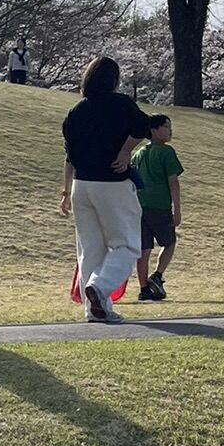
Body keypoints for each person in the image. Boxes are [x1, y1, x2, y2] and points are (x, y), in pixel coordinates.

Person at [59, 56, 150, 324]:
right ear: (114, 79)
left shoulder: (76, 111)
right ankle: (99, 287)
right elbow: (144, 126)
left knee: (90, 249)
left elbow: (69, 155)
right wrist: (125, 151)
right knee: (127, 245)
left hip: (81, 185)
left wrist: (65, 192)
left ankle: (95, 309)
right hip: (112, 183)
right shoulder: (120, 104)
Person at [132, 114, 183, 301]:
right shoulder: (166, 152)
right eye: (166, 126)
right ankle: (158, 275)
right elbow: (173, 182)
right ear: (154, 130)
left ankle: (143, 288)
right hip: (159, 205)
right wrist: (177, 210)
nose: (170, 130)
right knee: (169, 242)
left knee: (144, 249)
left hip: (139, 206)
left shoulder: (138, 154)